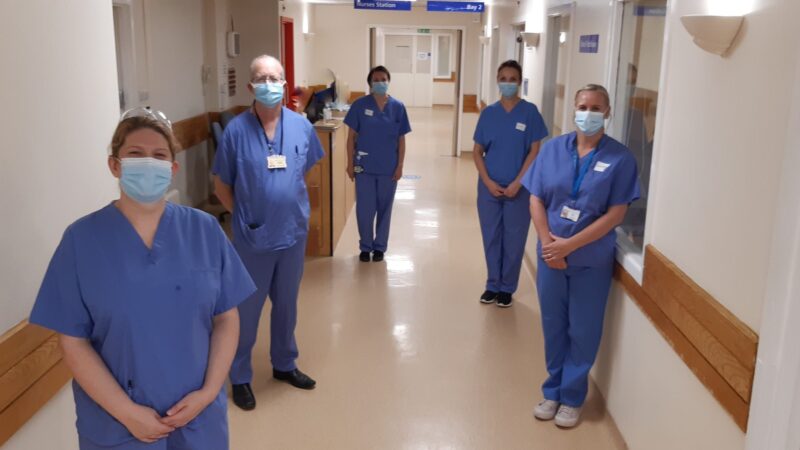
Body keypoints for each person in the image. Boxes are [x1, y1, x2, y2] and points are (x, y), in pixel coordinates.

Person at [29, 108, 256, 450]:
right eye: (135, 154)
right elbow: (73, 341)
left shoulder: (204, 231)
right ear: (115, 165)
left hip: (198, 418)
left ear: (172, 168)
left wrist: (210, 391)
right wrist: (127, 412)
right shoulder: (81, 241)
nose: (148, 163)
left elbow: (226, 317)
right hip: (118, 425)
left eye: (159, 155)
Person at [522, 84, 640, 428]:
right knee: (553, 326)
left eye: (596, 108)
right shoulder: (552, 150)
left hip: (590, 259)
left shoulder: (620, 158)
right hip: (550, 256)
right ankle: (552, 391)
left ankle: (572, 397)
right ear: (573, 109)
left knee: (583, 330)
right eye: (583, 106)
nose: (588, 113)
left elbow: (616, 214)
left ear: (608, 113)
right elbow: (536, 198)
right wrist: (549, 244)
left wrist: (568, 246)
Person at [213, 55, 324, 411]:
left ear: (285, 84)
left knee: (287, 305)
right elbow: (220, 185)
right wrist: (244, 216)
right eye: (262, 78)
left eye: (275, 78)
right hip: (252, 238)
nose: (270, 84)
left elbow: (303, 171)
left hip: (291, 234)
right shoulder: (236, 131)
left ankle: (284, 364)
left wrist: (283, 202)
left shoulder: (301, 126)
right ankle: (240, 376)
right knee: (247, 311)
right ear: (250, 86)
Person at [472, 60, 548, 307]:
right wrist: (487, 181)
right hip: (489, 187)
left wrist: (519, 182)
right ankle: (492, 284)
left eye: (512, 79)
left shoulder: (530, 112)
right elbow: (477, 151)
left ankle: (507, 288)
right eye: (503, 78)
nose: (507, 83)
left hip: (519, 188)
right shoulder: (489, 113)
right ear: (497, 81)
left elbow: (535, 151)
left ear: (519, 82)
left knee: (514, 238)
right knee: (491, 236)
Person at [344, 65, 411, 262]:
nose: (380, 83)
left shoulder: (398, 107)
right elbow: (350, 138)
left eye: (383, 79)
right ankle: (365, 246)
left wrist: (400, 166)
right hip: (363, 166)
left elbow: (401, 140)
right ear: (370, 83)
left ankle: (380, 247)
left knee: (385, 208)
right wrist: (349, 164)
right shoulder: (359, 105)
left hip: (388, 167)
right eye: (376, 80)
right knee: (364, 209)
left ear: (388, 81)